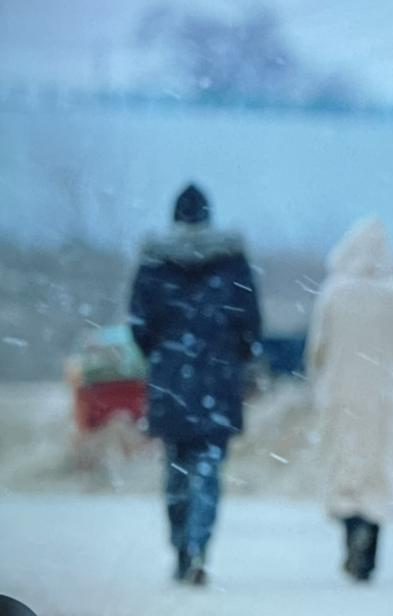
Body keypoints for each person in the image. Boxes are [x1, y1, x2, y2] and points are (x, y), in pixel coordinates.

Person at [129, 184, 262, 585]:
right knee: (208, 466)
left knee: (176, 466)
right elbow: (250, 324)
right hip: (218, 379)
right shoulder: (233, 263)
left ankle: (180, 545)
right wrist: (236, 356)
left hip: (170, 378)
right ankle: (198, 544)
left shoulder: (154, 261)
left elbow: (139, 325)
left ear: (174, 217)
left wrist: (162, 353)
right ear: (208, 215)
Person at [305, 218, 393, 583]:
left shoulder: (335, 292)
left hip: (341, 392)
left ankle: (351, 536)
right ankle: (369, 551)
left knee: (346, 467)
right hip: (385, 396)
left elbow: (318, 349)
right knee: (378, 471)